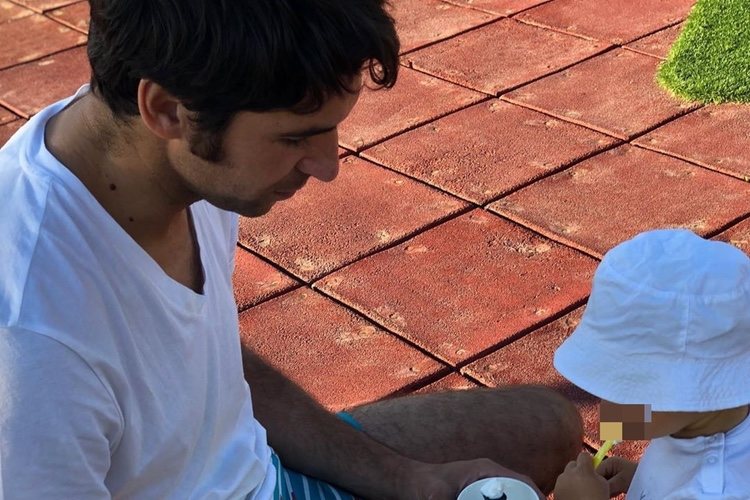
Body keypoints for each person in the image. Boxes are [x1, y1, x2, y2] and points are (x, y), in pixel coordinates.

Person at [0, 1, 583, 498]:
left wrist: (408, 480)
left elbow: (214, 364)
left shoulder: (152, 147)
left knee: (551, 424)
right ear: (167, 110)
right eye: (296, 136)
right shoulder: (35, 344)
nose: (327, 166)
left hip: (263, 474)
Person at [551, 229, 750, 500]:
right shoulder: (693, 420)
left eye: (632, 386)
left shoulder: (717, 493)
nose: (608, 409)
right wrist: (644, 479)